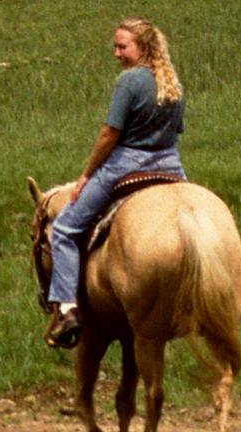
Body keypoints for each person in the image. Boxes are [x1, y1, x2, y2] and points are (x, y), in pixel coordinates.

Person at [40, 19, 187, 348]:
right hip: (169, 162)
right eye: (115, 46)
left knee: (64, 228)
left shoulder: (129, 81)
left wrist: (87, 174)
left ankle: (66, 309)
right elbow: (177, 130)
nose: (117, 53)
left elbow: (110, 134)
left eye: (123, 47)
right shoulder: (172, 82)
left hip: (127, 163)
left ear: (142, 48)